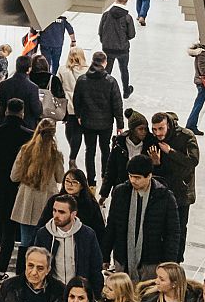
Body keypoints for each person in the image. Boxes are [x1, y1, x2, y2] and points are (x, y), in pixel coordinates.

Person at [104, 156, 181, 281]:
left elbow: (173, 233)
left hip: (151, 260)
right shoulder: (121, 192)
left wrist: (168, 263)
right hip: (123, 258)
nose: (133, 180)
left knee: (148, 296)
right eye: (131, 176)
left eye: (138, 177)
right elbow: (112, 225)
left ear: (149, 175)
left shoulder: (164, 197)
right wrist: (105, 255)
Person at [0, 97, 34, 279]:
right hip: (19, 186)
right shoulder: (29, 135)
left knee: (5, 223)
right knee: (18, 225)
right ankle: (17, 271)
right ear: (22, 112)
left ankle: (1, 269)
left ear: (5, 112)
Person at [9, 119, 65, 260]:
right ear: (53, 134)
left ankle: (22, 273)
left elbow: (14, 176)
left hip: (26, 202)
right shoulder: (56, 155)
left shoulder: (25, 150)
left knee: (25, 242)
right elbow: (60, 178)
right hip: (47, 203)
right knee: (44, 244)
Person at [72, 50, 125, 182]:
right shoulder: (111, 81)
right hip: (106, 123)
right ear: (105, 63)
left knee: (90, 150)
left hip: (87, 121)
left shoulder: (82, 80)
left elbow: (76, 99)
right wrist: (120, 124)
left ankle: (91, 180)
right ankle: (105, 176)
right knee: (105, 149)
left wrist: (78, 115)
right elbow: (117, 104)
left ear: (92, 62)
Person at [30, 194, 103, 285]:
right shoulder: (43, 234)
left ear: (73, 214)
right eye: (54, 210)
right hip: (52, 292)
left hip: (78, 292)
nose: (56, 215)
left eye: (61, 212)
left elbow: (96, 267)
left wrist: (95, 293)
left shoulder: (87, 234)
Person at [150, 112, 200, 241]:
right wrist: (156, 163)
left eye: (161, 128)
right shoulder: (154, 140)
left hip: (182, 192)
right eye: (154, 129)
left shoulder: (186, 136)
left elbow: (193, 161)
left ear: (168, 126)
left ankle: (177, 260)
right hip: (163, 191)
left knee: (179, 229)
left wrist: (170, 152)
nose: (158, 133)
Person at [37, 167, 105, 244]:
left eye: (74, 182)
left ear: (82, 185)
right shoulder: (54, 200)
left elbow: (99, 230)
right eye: (67, 181)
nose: (70, 185)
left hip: (81, 244)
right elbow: (42, 224)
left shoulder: (90, 204)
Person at [100, 112, 155, 201]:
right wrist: (104, 194)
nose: (144, 132)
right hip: (122, 190)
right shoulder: (119, 144)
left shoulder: (150, 143)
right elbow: (111, 170)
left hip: (143, 191)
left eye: (145, 129)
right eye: (140, 129)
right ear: (132, 130)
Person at [98, 0, 137, 97]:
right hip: (122, 49)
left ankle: (104, 91)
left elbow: (100, 31)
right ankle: (126, 91)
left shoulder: (106, 15)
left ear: (116, 0)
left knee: (107, 70)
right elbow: (132, 34)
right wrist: (123, 39)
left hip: (108, 48)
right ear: (126, 2)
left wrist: (105, 42)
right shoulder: (127, 17)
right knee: (124, 69)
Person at [58, 46, 89, 164]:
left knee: (69, 129)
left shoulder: (62, 70)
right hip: (82, 106)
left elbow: (58, 87)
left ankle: (72, 149)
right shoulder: (87, 71)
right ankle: (73, 156)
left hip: (68, 105)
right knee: (78, 132)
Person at [0, 55, 43, 124]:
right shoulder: (33, 87)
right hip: (27, 126)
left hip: (6, 124)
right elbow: (36, 111)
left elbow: (1, 107)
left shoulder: (4, 84)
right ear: (29, 69)